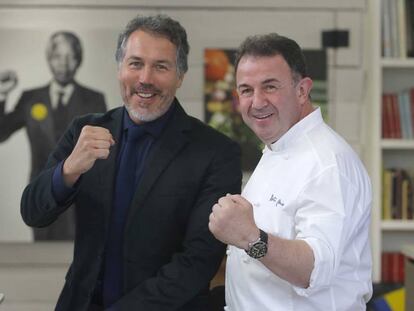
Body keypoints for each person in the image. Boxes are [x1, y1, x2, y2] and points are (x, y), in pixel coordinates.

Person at [21, 14, 241, 311]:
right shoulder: (83, 130)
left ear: (180, 75)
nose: (145, 79)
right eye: (135, 63)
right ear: (120, 69)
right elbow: (33, 212)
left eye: (160, 66)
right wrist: (68, 169)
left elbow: (198, 260)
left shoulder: (216, 152)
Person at [209, 33, 372, 311]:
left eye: (270, 86)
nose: (257, 102)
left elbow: (313, 270)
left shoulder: (326, 162)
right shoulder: (278, 146)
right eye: (246, 90)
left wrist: (250, 236)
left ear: (302, 90)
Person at [0, 31, 107, 240]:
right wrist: (2, 94)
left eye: (71, 57)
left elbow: (105, 152)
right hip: (41, 195)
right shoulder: (30, 98)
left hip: (81, 198)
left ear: (79, 60)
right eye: (58, 56)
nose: (64, 64)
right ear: (49, 59)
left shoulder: (94, 99)